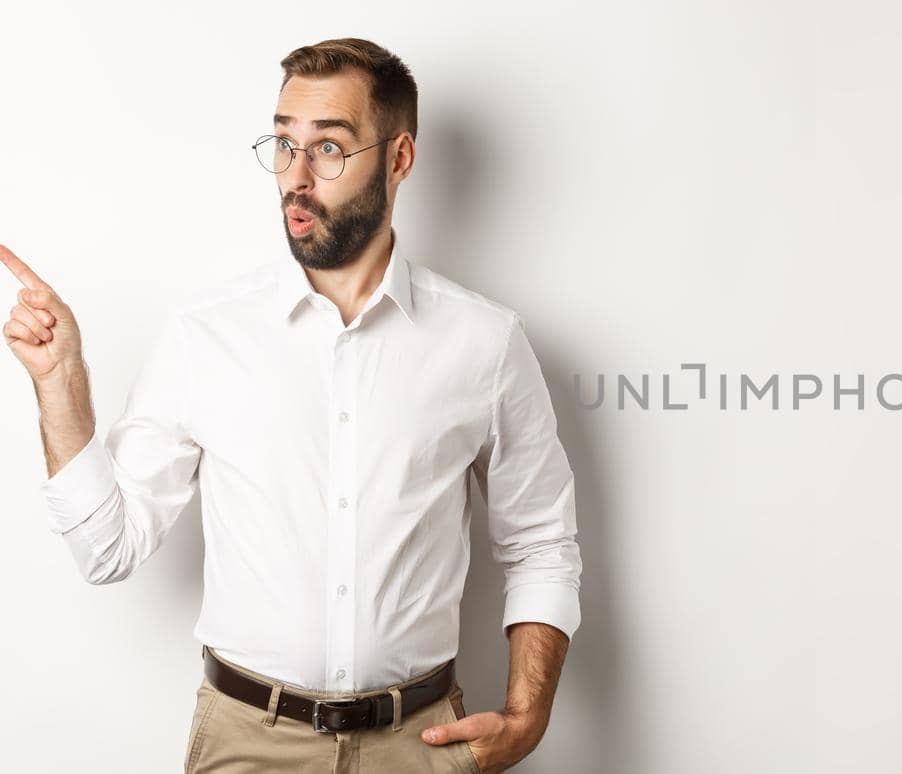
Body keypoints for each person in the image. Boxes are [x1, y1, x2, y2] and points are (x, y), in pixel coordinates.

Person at [4, 37, 580, 773]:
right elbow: (106, 550)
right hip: (249, 743)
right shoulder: (206, 335)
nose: (296, 178)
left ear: (399, 159)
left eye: (330, 148)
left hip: (422, 744)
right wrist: (61, 383)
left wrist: (530, 715)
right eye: (283, 143)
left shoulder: (485, 343)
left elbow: (540, 542)